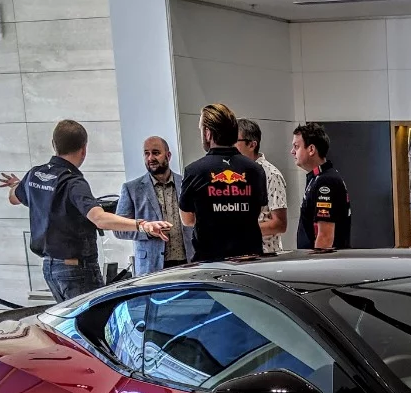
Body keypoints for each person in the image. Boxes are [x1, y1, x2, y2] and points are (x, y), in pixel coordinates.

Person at [0, 119, 169, 300]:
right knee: (94, 317)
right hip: (76, 270)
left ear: (54, 144)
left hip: (49, 268)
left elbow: (13, 197)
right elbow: (99, 218)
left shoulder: (35, 175)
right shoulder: (73, 182)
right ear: (84, 150)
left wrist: (19, 184)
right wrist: (143, 225)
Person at [178, 103, 268, 261]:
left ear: (208, 133)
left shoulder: (194, 171)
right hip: (250, 261)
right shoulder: (256, 170)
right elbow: (258, 210)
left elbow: (187, 220)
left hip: (210, 263)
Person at [115, 136, 194, 274]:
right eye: (146, 153)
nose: (150, 158)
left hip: (188, 263)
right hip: (151, 267)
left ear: (168, 156)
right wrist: (147, 230)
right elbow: (118, 229)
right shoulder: (132, 189)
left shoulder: (186, 183)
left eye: (156, 153)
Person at [291, 121, 352, 249]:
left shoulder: (326, 181)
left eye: (296, 146)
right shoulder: (317, 177)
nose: (292, 152)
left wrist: (315, 261)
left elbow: (325, 236)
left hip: (324, 259)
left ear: (311, 149)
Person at [235, 118, 288, 254]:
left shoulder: (271, 174)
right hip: (240, 254)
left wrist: (240, 231)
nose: (231, 147)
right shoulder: (235, 173)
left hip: (265, 255)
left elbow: (280, 224)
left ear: (252, 145)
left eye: (235, 141)